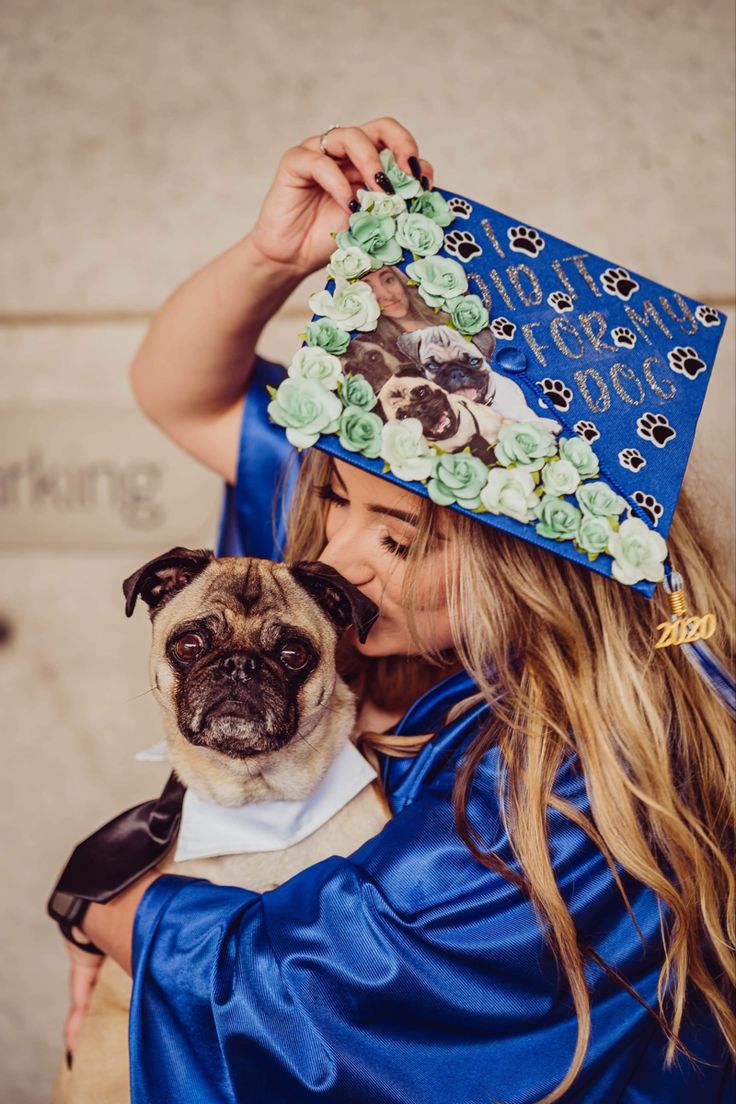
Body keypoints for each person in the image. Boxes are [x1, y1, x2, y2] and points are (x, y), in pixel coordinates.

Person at [55, 119, 735, 1103]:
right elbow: (178, 394)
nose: (331, 556)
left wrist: (102, 901)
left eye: (397, 540)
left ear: (532, 574)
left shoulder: (570, 783)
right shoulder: (360, 570)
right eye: (332, 503)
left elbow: (299, 995)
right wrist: (270, 259)